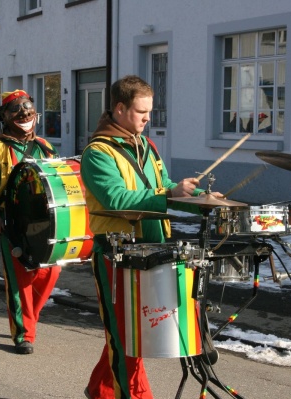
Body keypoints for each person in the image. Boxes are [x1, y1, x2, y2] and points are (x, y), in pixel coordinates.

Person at [80, 75, 220, 399]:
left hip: (151, 251)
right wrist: (169, 193)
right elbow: (117, 198)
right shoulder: (98, 153)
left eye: (150, 112)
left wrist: (204, 200)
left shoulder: (146, 146)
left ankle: (100, 390)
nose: (148, 119)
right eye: (142, 112)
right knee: (126, 338)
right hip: (116, 255)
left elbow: (164, 184)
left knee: (130, 334)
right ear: (119, 108)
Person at [0, 89, 61, 355]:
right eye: (17, 111)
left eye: (28, 109)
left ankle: (28, 316)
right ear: (6, 117)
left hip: (47, 223)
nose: (24, 114)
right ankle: (24, 334)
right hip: (13, 224)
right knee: (21, 278)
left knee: (50, 273)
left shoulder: (46, 146)